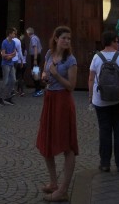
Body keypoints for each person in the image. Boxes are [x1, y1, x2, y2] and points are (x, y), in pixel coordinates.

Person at [36, 26, 78, 203]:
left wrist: (56, 75)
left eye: (69, 38)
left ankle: (63, 190)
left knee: (67, 146)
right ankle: (53, 182)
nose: (67, 41)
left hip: (63, 101)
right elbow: (46, 72)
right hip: (50, 99)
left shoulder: (71, 60)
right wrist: (45, 75)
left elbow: (71, 86)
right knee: (46, 140)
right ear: (56, 39)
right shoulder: (48, 54)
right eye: (64, 38)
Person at [88, 30, 119, 173]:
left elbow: (90, 78)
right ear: (113, 42)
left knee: (104, 131)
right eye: (117, 41)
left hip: (100, 101)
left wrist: (90, 97)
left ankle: (105, 163)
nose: (118, 43)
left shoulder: (96, 57)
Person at [0, 28, 17, 106]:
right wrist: (10, 55)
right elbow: (3, 54)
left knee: (13, 80)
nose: (14, 35)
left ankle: (7, 97)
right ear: (9, 34)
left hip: (11, 63)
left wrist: (10, 56)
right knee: (5, 81)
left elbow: (15, 53)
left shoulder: (13, 42)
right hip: (5, 64)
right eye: (13, 33)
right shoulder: (4, 42)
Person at [26, 27, 43, 97]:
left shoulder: (33, 39)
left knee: (35, 74)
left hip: (35, 57)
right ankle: (37, 89)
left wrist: (35, 59)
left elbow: (35, 48)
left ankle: (38, 90)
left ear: (28, 33)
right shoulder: (36, 37)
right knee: (35, 73)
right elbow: (40, 48)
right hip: (36, 56)